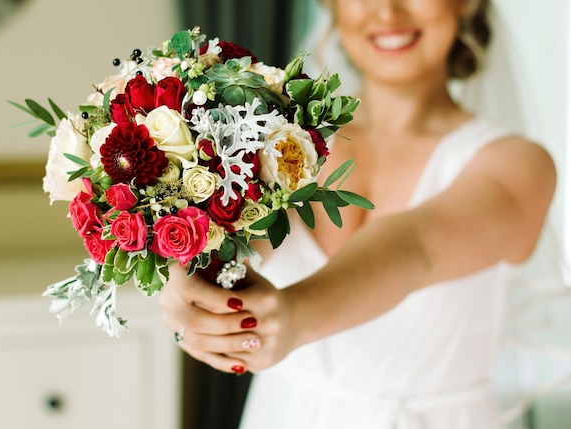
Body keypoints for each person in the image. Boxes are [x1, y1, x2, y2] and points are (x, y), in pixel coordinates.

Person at [159, 0, 563, 427]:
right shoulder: (277, 139)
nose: (387, 12)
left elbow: (414, 247)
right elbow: (229, 241)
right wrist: (189, 273)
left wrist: (293, 315)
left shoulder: (520, 166)